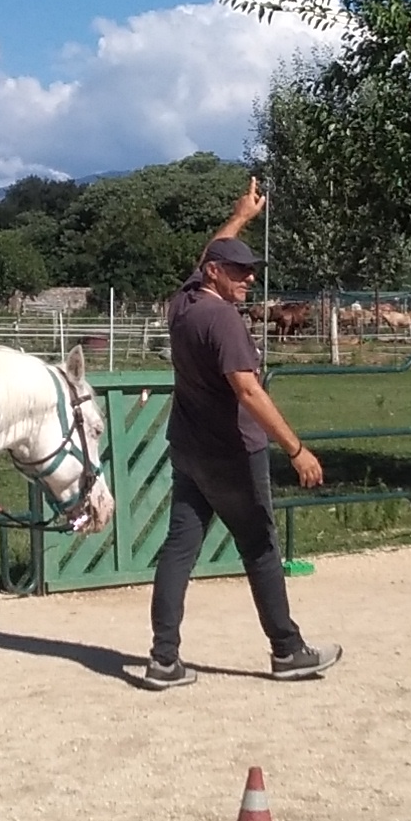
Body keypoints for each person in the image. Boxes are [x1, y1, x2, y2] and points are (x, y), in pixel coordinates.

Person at [143, 178, 339, 689]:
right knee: (260, 548)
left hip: (189, 450)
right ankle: (288, 650)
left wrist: (240, 218)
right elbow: (249, 392)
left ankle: (163, 659)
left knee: (179, 549)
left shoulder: (183, 303)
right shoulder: (223, 320)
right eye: (239, 271)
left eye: (251, 270)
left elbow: (209, 251)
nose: (249, 278)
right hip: (233, 454)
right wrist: (296, 449)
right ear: (215, 273)